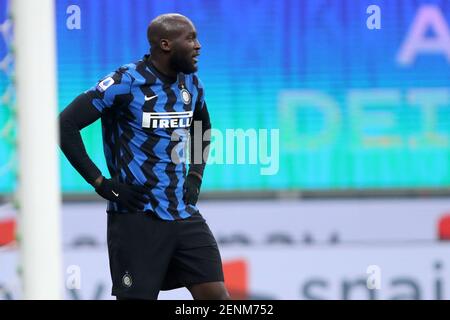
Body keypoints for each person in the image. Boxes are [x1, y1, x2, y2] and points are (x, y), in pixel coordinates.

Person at [59, 13, 230, 300]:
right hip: (137, 218)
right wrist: (100, 182)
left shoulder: (190, 82)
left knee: (217, 298)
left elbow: (202, 126)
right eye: (190, 38)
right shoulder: (125, 82)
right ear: (165, 44)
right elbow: (65, 125)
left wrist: (196, 174)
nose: (198, 46)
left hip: (183, 214)